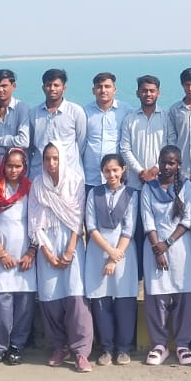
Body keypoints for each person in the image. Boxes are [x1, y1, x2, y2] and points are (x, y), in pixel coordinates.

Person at [29, 142, 92, 371]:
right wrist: (46, 252)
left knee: (76, 298)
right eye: (47, 158)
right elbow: (34, 221)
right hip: (46, 243)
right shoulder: (37, 184)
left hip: (70, 242)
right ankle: (59, 346)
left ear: (62, 159)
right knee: (50, 298)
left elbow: (78, 217)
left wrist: (70, 249)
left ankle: (81, 352)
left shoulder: (75, 181)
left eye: (55, 158)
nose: (51, 163)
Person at [140, 145, 191, 365]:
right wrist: (157, 248)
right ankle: (159, 345)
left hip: (181, 247)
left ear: (179, 165)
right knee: (157, 295)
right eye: (163, 162)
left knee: (184, 294)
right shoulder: (148, 188)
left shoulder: (186, 187)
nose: (166, 166)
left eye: (171, 163)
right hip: (153, 246)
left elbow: (187, 220)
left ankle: (183, 344)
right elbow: (147, 220)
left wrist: (168, 243)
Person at [0, 148, 36, 366]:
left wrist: (31, 252)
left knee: (24, 305)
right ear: (4, 165)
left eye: (18, 166)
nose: (13, 170)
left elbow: (37, 221)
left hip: (25, 257)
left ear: (24, 167)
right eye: (10, 165)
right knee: (0, 306)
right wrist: (1, 253)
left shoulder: (31, 189)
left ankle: (16, 347)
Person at [83, 154, 138, 366]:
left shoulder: (131, 194)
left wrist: (115, 258)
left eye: (115, 170)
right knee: (101, 299)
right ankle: (106, 348)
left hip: (124, 253)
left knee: (124, 300)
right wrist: (108, 252)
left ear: (123, 170)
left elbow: (129, 228)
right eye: (107, 170)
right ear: (102, 172)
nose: (111, 174)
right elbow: (91, 226)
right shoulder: (94, 193)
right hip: (98, 252)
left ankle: (123, 348)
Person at [29, 68, 88, 179]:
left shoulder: (76, 111)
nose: (52, 89)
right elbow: (31, 146)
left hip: (69, 175)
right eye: (48, 85)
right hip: (39, 175)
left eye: (56, 85)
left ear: (64, 88)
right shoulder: (34, 113)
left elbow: (82, 144)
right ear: (43, 88)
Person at [120, 75, 168, 193]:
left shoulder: (167, 118)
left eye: (152, 91)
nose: (148, 94)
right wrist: (141, 172)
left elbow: (171, 146)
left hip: (160, 180)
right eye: (144, 90)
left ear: (158, 93)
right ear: (137, 93)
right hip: (135, 182)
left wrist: (155, 169)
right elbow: (125, 149)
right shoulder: (129, 119)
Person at [81, 72, 128, 191]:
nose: (103, 90)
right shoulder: (84, 112)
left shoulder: (126, 111)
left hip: (117, 177)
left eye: (107, 86)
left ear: (114, 89)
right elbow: (80, 142)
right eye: (99, 87)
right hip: (90, 176)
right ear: (93, 90)